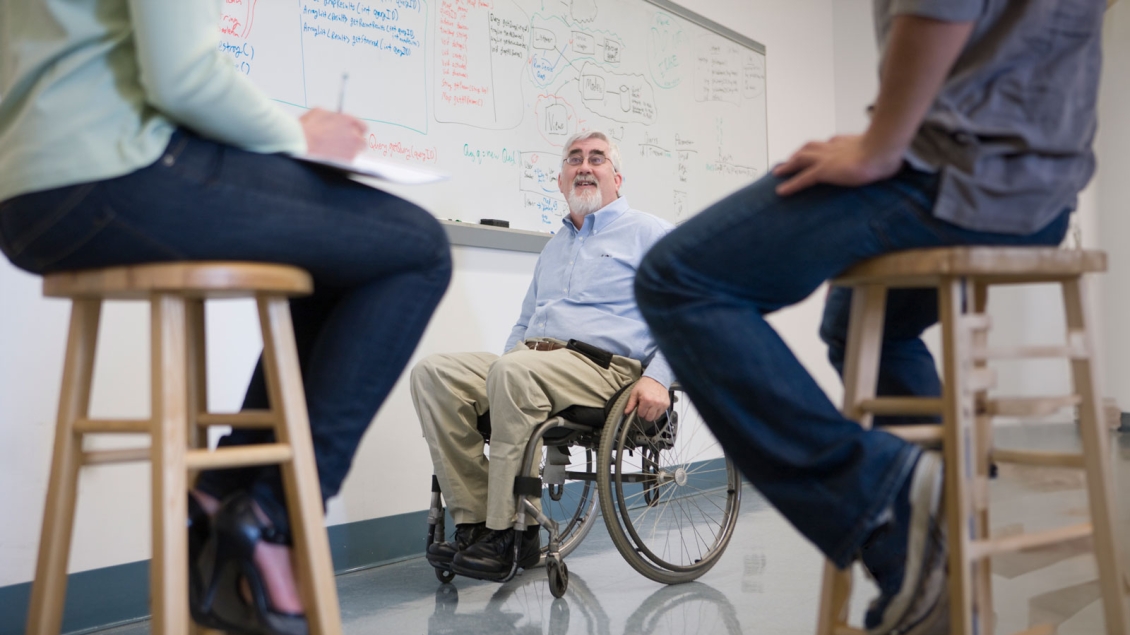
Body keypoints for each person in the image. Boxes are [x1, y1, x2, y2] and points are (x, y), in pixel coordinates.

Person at [633, 2, 1103, 634]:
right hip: (1043, 187)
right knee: (856, 324)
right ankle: (940, 525)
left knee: (678, 279)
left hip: (957, 166)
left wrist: (882, 143)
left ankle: (888, 504)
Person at [0, 2, 451, 634]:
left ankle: (228, 484)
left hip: (25, 197)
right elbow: (181, 76)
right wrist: (302, 137)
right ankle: (274, 519)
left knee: (346, 252)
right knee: (418, 248)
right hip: (118, 172)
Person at [411, 130, 674, 581]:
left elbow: (691, 313)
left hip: (604, 369)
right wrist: (506, 365)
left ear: (617, 177)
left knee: (516, 373)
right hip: (534, 361)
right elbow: (525, 321)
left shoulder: (647, 232)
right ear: (560, 179)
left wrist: (661, 377)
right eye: (575, 159)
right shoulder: (555, 246)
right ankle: (474, 525)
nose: (585, 166)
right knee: (435, 374)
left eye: (597, 158)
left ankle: (516, 534)